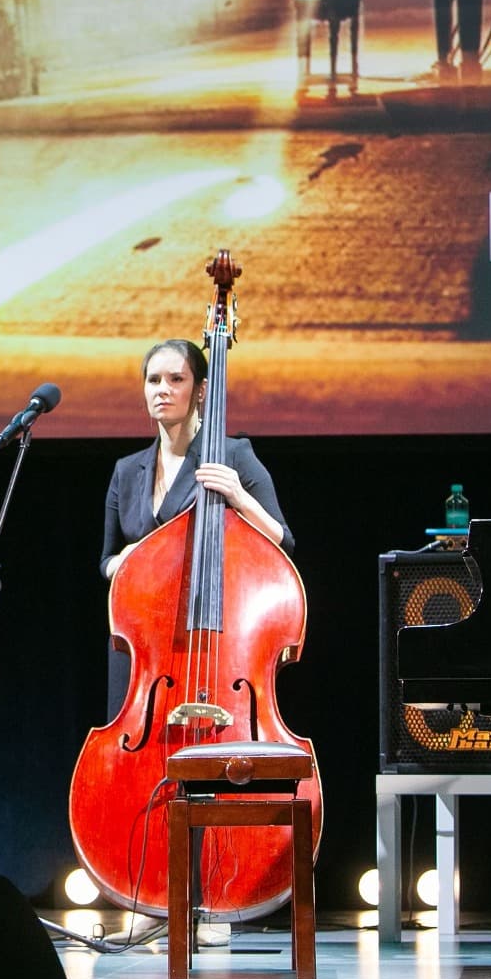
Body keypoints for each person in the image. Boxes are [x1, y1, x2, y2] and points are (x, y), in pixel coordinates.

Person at [97, 337, 292, 945]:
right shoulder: (127, 471)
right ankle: (155, 895)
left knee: (209, 767)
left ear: (200, 389)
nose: (161, 390)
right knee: (144, 767)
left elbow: (281, 536)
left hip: (216, 648)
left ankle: (211, 894)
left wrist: (235, 494)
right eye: (152, 380)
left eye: (174, 380)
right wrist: (126, 562)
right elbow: (105, 561)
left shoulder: (234, 453)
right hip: (148, 653)